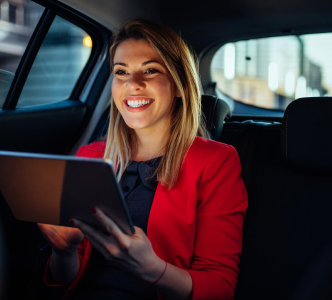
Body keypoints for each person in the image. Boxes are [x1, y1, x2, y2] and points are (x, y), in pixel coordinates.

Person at [38, 19, 247, 300]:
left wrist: (153, 269)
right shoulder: (89, 157)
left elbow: (219, 286)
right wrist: (62, 251)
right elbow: (66, 278)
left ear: (179, 85)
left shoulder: (215, 161)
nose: (133, 84)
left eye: (150, 70)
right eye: (121, 72)